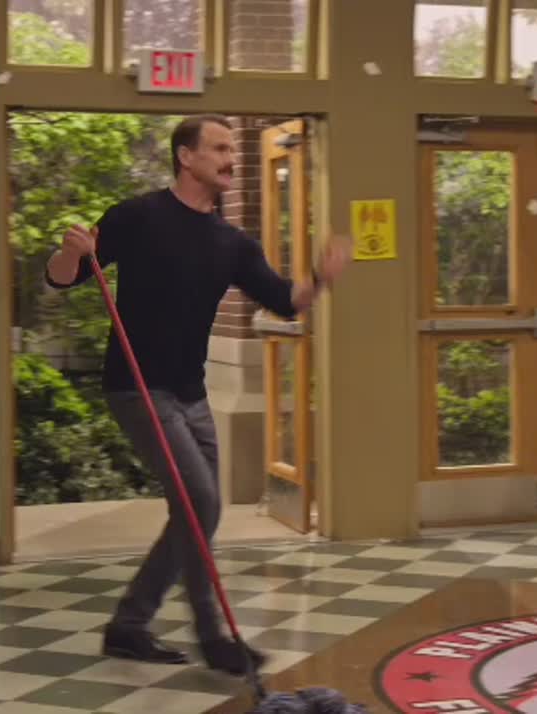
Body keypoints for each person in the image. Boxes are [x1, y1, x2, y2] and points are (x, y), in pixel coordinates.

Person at [43, 114, 351, 675]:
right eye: (220, 148)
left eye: (232, 148)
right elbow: (64, 277)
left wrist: (323, 276)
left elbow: (286, 300)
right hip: (138, 386)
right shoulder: (137, 217)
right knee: (201, 504)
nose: (231, 158)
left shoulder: (231, 243)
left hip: (191, 391)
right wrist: (72, 250)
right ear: (186, 157)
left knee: (198, 513)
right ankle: (213, 637)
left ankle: (129, 625)